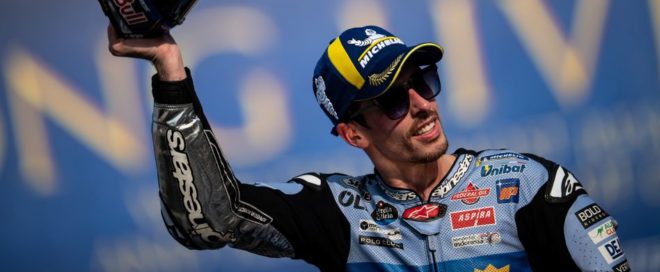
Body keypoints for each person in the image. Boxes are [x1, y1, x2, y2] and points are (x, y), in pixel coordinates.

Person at [108, 23, 630, 272]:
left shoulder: (530, 186)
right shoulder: (337, 212)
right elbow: (206, 220)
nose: (422, 105)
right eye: (392, 101)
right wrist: (170, 73)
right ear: (353, 133)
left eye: (422, 82)